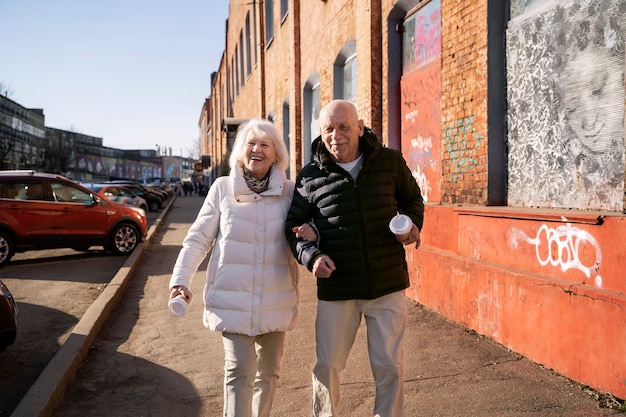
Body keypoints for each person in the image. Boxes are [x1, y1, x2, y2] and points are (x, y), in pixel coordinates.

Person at [285, 100, 424, 417]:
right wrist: (312, 257)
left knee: (389, 367)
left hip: (386, 284)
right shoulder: (309, 177)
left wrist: (413, 224)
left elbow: (413, 200)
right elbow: (292, 229)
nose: (336, 136)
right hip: (338, 288)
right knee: (328, 366)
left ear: (360, 127)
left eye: (344, 127)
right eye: (328, 129)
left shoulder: (389, 162)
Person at [169, 118, 316, 417]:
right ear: (240, 150)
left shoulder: (290, 192)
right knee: (239, 373)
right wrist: (180, 280)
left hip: (276, 298)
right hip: (232, 299)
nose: (257, 150)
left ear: (277, 154)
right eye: (251, 143)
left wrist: (313, 233)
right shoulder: (223, 188)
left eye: (265, 144)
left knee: (269, 374)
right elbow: (198, 238)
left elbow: (308, 231)